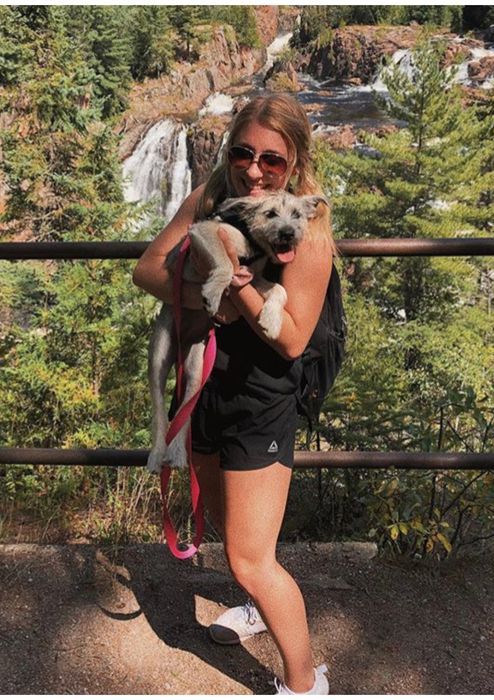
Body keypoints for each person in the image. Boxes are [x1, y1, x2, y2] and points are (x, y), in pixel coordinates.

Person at [131, 93, 334, 695]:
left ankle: (305, 683)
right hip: (205, 383)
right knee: (226, 524)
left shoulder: (307, 230)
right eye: (243, 152)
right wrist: (207, 292)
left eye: (271, 159)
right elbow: (147, 270)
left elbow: (293, 339)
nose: (253, 167)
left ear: (294, 161)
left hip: (261, 397)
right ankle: (256, 610)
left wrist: (233, 283)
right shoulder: (212, 198)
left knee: (250, 557)